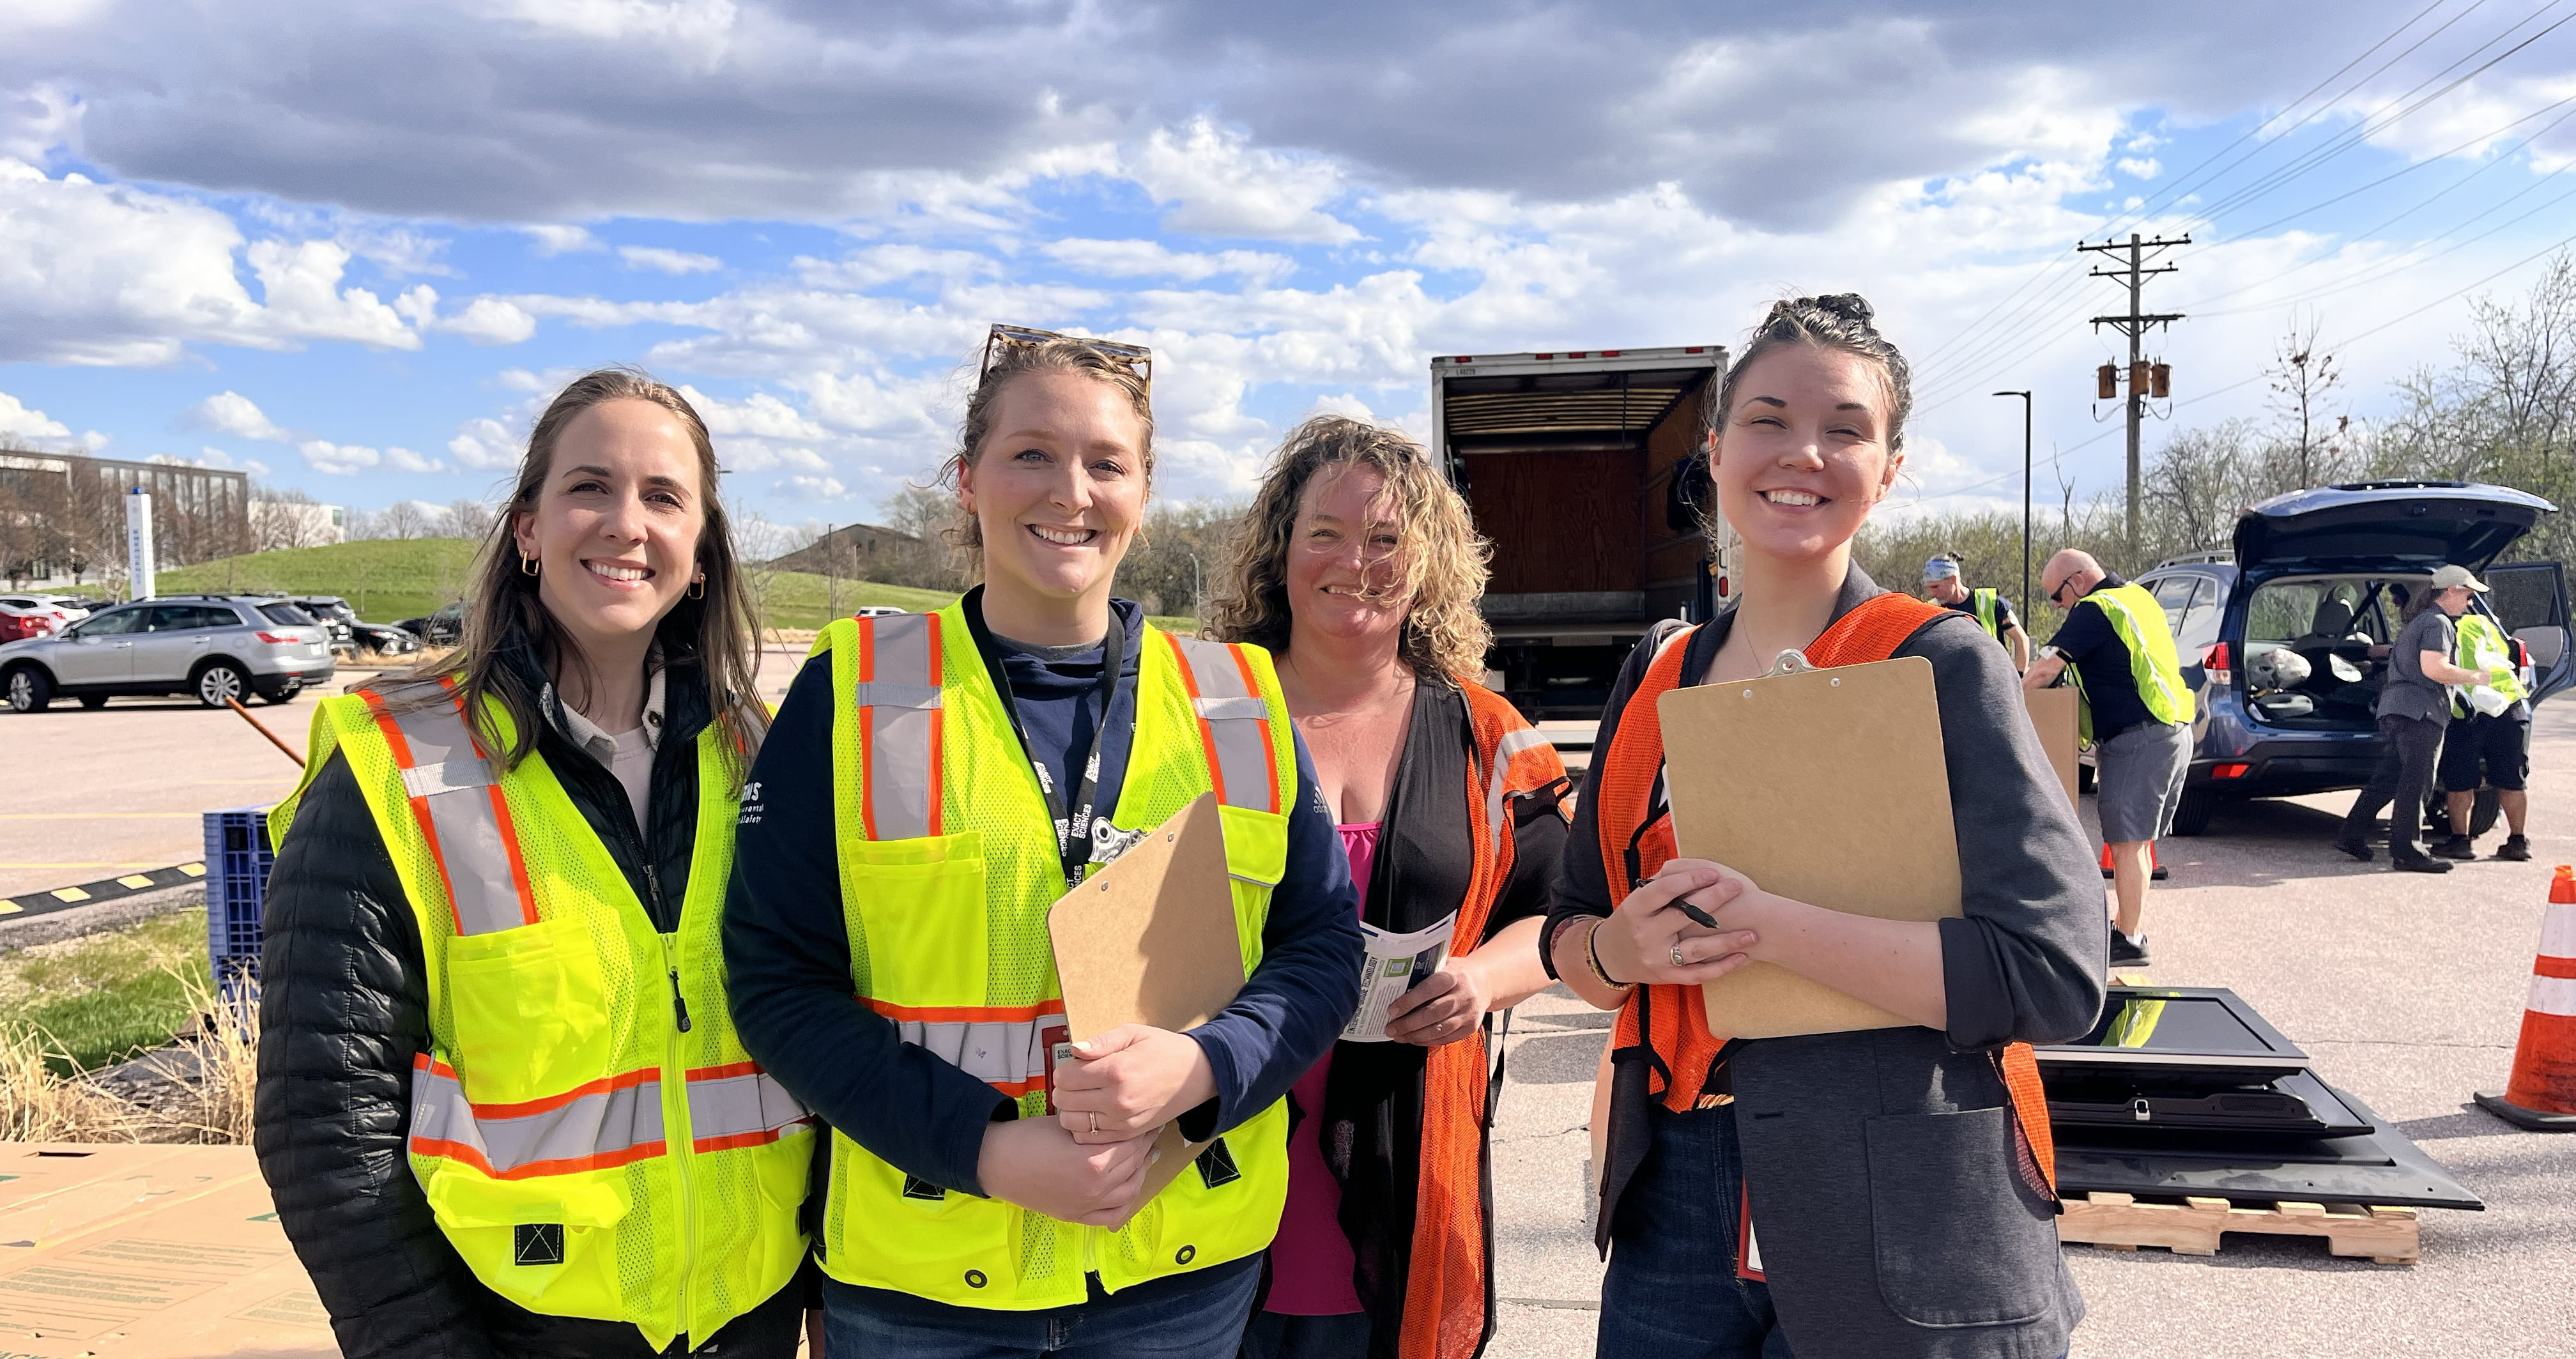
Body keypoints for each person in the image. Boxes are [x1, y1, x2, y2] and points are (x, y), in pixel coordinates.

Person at [723, 325, 1365, 1359]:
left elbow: (1323, 949)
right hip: (926, 1277)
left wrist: (1204, 1065)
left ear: (1143, 492)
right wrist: (986, 1149)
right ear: (967, 478)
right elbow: (773, 981)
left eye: (1106, 462)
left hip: (1180, 1271)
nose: (1070, 490)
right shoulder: (851, 691)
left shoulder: (1238, 700)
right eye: (1031, 453)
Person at [1544, 295, 2103, 1358]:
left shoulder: (1935, 666)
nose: (1801, 451)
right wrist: (1619, 948)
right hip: (1674, 1206)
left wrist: (1768, 930)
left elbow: (2052, 971)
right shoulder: (1652, 677)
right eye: (1765, 418)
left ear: (1887, 469)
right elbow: (1572, 931)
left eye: (1844, 427)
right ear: (1712, 452)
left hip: (1901, 1203)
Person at [254, 369, 813, 1358]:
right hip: (517, 1331)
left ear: (702, 548)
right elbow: (324, 1121)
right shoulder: (395, 768)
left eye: (664, 496)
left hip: (747, 1322)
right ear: (527, 528)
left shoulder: (761, 760)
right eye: (590, 487)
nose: (626, 523)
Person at [1202, 417, 1571, 1359]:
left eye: (1386, 537)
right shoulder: (1199, 714)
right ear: (1280, 547)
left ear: (1429, 559)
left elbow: (1568, 908)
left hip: (1408, 1158)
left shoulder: (1484, 730)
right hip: (1214, 1145)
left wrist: (1485, 979)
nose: (1353, 561)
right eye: (1324, 531)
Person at [2022, 549, 2191, 969]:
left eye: (2056, 598)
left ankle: (2130, 939)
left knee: (2126, 843)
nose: (2059, 608)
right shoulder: (2137, 597)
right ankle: (2127, 927)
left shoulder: (2096, 608)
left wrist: (2001, 702)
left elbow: (2044, 671)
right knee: (2135, 844)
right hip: (2171, 728)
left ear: (2076, 581)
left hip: (2139, 737)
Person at [2336, 564, 2513, 871]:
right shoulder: (2438, 624)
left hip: (2398, 710)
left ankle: (2351, 834)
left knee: (2389, 779)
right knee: (2417, 783)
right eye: (2469, 596)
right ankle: (2408, 851)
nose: (2471, 603)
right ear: (2452, 591)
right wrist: (2476, 677)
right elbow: (2435, 668)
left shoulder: (2422, 621)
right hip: (2420, 713)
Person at [2435, 583, 2535, 862]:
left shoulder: (2443, 626)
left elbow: (2439, 666)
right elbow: (2505, 656)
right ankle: (2518, 841)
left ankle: (2460, 842)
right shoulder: (2488, 625)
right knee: (2513, 779)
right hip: (2511, 706)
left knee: (2460, 779)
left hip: (2470, 710)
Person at [1921, 553, 2030, 672]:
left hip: (1992, 677)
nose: (1932, 593)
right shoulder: (1930, 610)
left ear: (1953, 579)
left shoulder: (1990, 601)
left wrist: (2020, 678)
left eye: (1936, 587)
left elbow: (2021, 639)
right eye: (1929, 588)